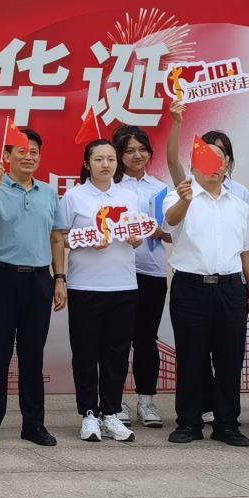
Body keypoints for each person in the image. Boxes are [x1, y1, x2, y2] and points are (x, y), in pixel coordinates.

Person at [163, 138, 249, 447]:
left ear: (227, 165)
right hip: (190, 288)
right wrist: (185, 201)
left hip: (231, 289)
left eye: (219, 160)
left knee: (229, 359)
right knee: (191, 357)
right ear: (193, 166)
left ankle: (227, 424)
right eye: (205, 160)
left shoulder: (240, 206)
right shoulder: (179, 196)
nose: (213, 167)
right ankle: (188, 422)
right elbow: (170, 221)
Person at [0, 127, 66, 447]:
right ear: (7, 156)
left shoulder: (48, 192)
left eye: (34, 152)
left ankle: (33, 425)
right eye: (22, 151)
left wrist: (60, 278)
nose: (29, 157)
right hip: (1, 277)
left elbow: (57, 237)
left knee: (32, 355)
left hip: (39, 279)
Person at [59, 138, 143, 442]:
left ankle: (111, 413)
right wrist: (85, 239)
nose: (106, 164)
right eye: (98, 159)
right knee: (85, 353)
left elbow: (137, 234)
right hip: (85, 285)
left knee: (117, 354)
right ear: (87, 164)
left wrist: (136, 238)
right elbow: (60, 237)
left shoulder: (128, 195)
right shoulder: (74, 196)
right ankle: (89, 414)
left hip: (123, 284)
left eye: (110, 159)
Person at [111, 124, 170, 428]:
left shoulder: (160, 188)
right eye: (129, 150)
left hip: (152, 271)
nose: (137, 155)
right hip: (118, 271)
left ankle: (146, 402)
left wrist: (162, 231)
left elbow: (174, 232)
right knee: (118, 338)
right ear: (118, 154)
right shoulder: (110, 188)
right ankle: (115, 400)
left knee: (147, 339)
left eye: (142, 149)